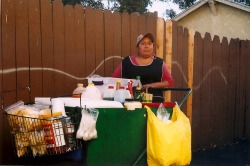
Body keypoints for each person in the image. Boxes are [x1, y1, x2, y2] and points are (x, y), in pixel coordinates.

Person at [112, 32, 174, 102]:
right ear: (138, 46)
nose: (146, 46)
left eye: (149, 43)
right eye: (143, 43)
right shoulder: (127, 62)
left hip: (155, 104)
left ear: (153, 46)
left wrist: (152, 85)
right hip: (130, 104)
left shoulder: (159, 63)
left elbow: (169, 82)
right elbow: (114, 80)